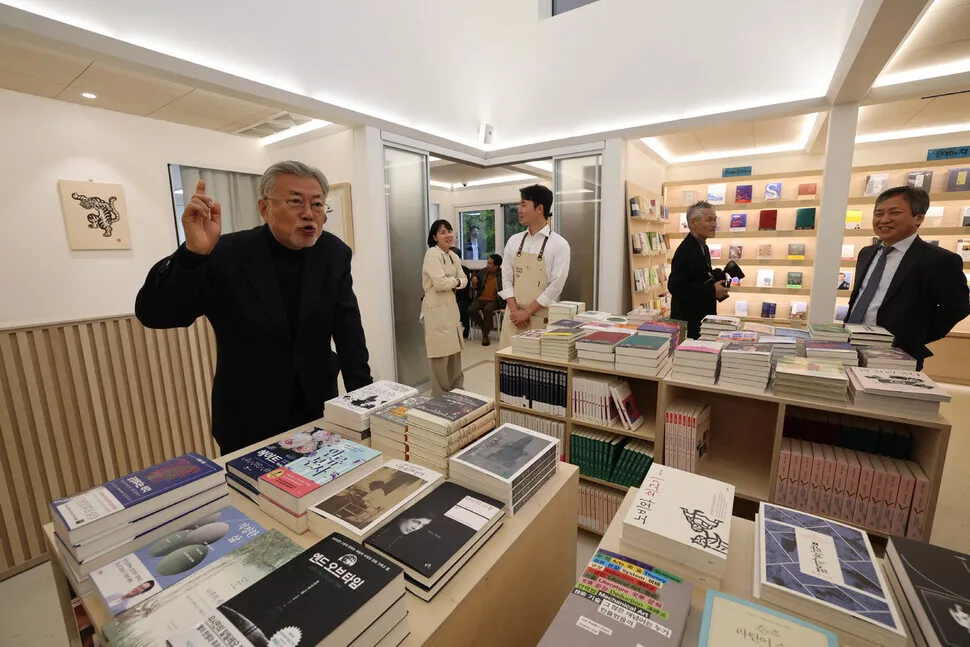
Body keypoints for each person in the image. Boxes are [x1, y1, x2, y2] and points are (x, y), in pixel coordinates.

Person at [135, 161, 372, 453]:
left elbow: (348, 331)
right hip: (248, 416)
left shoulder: (334, 253)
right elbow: (157, 314)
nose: (309, 213)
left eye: (318, 204)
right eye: (295, 202)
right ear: (264, 208)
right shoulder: (225, 254)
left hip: (317, 408)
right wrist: (192, 254)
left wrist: (366, 402)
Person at [846, 186, 970, 370]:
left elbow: (957, 307)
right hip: (850, 346)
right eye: (878, 213)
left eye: (894, 213)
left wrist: (917, 336)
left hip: (897, 354)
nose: (884, 219)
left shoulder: (939, 260)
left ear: (918, 218)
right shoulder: (867, 253)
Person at [497, 185, 571, 348]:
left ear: (539, 209)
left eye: (523, 204)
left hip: (540, 319)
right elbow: (506, 277)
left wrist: (527, 312)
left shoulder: (559, 245)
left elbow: (556, 286)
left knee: (535, 370)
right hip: (513, 317)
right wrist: (516, 311)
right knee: (508, 368)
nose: (519, 210)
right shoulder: (513, 241)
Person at [669, 201, 730, 339]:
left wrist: (715, 276)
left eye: (715, 220)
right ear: (693, 222)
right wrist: (712, 290)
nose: (714, 224)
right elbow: (676, 287)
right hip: (689, 323)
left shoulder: (702, 247)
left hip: (700, 319)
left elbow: (696, 277)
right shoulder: (686, 250)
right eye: (709, 220)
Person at [422, 220, 467, 394]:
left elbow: (465, 279)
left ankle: (457, 391)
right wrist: (455, 281)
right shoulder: (432, 254)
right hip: (436, 309)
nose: (448, 235)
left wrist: (454, 281)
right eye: (442, 232)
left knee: (455, 352)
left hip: (450, 309)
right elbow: (440, 283)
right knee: (440, 355)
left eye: (450, 231)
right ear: (434, 237)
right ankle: (441, 395)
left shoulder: (453, 256)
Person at [468, 254, 505, 346]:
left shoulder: (502, 274)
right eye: (487, 262)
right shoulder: (484, 271)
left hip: (494, 300)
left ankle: (485, 335)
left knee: (487, 310)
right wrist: (473, 277)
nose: (487, 264)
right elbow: (474, 274)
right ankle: (484, 328)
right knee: (471, 310)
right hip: (481, 298)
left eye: (490, 263)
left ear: (496, 266)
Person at [451, 246, 473, 339]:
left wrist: (455, 297)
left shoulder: (464, 270)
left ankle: (465, 330)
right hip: (450, 296)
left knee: (460, 308)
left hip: (461, 297)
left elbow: (465, 288)